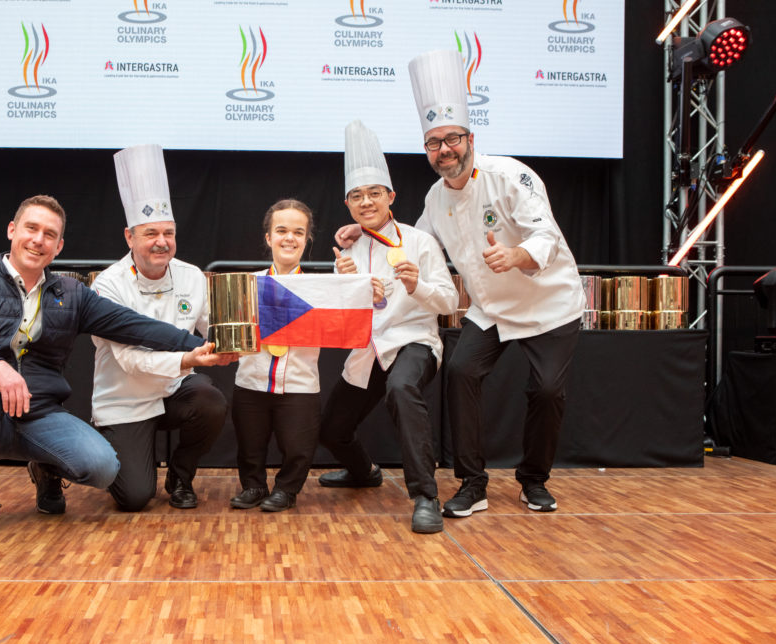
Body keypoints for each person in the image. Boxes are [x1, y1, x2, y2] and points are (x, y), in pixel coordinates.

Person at [337, 50, 585, 517]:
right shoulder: (435, 198)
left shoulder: (510, 176)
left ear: (470, 138)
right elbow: (411, 245)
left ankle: (533, 480)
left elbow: (545, 234)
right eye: (433, 143)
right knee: (460, 371)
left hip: (549, 302)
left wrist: (514, 255)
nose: (444, 149)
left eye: (451, 138)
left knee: (548, 391)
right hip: (490, 308)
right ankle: (472, 483)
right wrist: (364, 230)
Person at [0, 194, 212, 534]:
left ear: (58, 247)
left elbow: (134, 325)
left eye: (49, 235)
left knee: (103, 468)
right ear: (12, 230)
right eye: (31, 228)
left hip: (40, 413)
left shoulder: (71, 294)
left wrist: (198, 345)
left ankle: (47, 468)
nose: (38, 240)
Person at [319, 120, 459, 534]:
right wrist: (343, 282)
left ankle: (425, 497)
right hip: (368, 350)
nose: (366, 202)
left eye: (374, 194)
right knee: (332, 430)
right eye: (357, 196)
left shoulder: (419, 242)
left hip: (413, 342)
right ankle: (364, 472)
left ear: (391, 197)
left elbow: (450, 302)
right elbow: (343, 315)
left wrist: (417, 287)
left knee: (402, 388)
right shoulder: (346, 248)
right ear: (348, 204)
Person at [91, 144, 235, 512]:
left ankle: (181, 476)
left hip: (172, 391)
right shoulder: (108, 285)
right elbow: (129, 361)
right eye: (150, 232)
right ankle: (95, 444)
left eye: (168, 233)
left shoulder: (191, 276)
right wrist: (189, 358)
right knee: (135, 498)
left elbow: (214, 328)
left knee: (210, 402)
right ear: (129, 237)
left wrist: (236, 342)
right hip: (125, 399)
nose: (161, 242)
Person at [230, 199, 320, 512]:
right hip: (251, 381)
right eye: (281, 230)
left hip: (299, 384)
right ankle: (253, 486)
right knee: (250, 445)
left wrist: (368, 294)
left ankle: (286, 490)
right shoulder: (244, 285)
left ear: (307, 239)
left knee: (297, 447)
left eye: (298, 231)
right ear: (269, 237)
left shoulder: (322, 288)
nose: (289, 238)